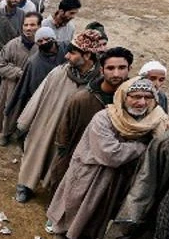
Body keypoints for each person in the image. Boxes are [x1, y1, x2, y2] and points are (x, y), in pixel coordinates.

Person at [48, 78, 169, 239]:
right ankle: (59, 232)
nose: (141, 102)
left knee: (100, 209)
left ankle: (85, 235)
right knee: (74, 202)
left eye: (147, 97)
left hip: (119, 176)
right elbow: (110, 154)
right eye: (135, 96)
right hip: (90, 170)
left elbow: (165, 143)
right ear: (123, 97)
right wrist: (141, 147)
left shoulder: (154, 120)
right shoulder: (104, 118)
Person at [15, 30, 105, 203]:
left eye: (72, 53)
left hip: (72, 133)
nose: (66, 55)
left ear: (87, 55)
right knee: (36, 153)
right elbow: (38, 97)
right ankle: (25, 185)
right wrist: (23, 123)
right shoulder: (59, 73)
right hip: (47, 125)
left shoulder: (99, 83)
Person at [46, 47, 133, 194]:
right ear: (102, 70)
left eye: (122, 68)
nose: (116, 73)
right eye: (110, 68)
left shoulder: (135, 101)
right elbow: (64, 135)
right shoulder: (82, 99)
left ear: (129, 69)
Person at [0, 12, 39, 146]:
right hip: (12, 86)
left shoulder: (41, 46)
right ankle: (5, 133)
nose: (28, 28)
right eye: (26, 25)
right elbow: (1, 64)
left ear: (39, 26)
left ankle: (22, 134)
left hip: (32, 87)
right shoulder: (12, 45)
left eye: (32, 25)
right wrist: (19, 73)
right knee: (8, 108)